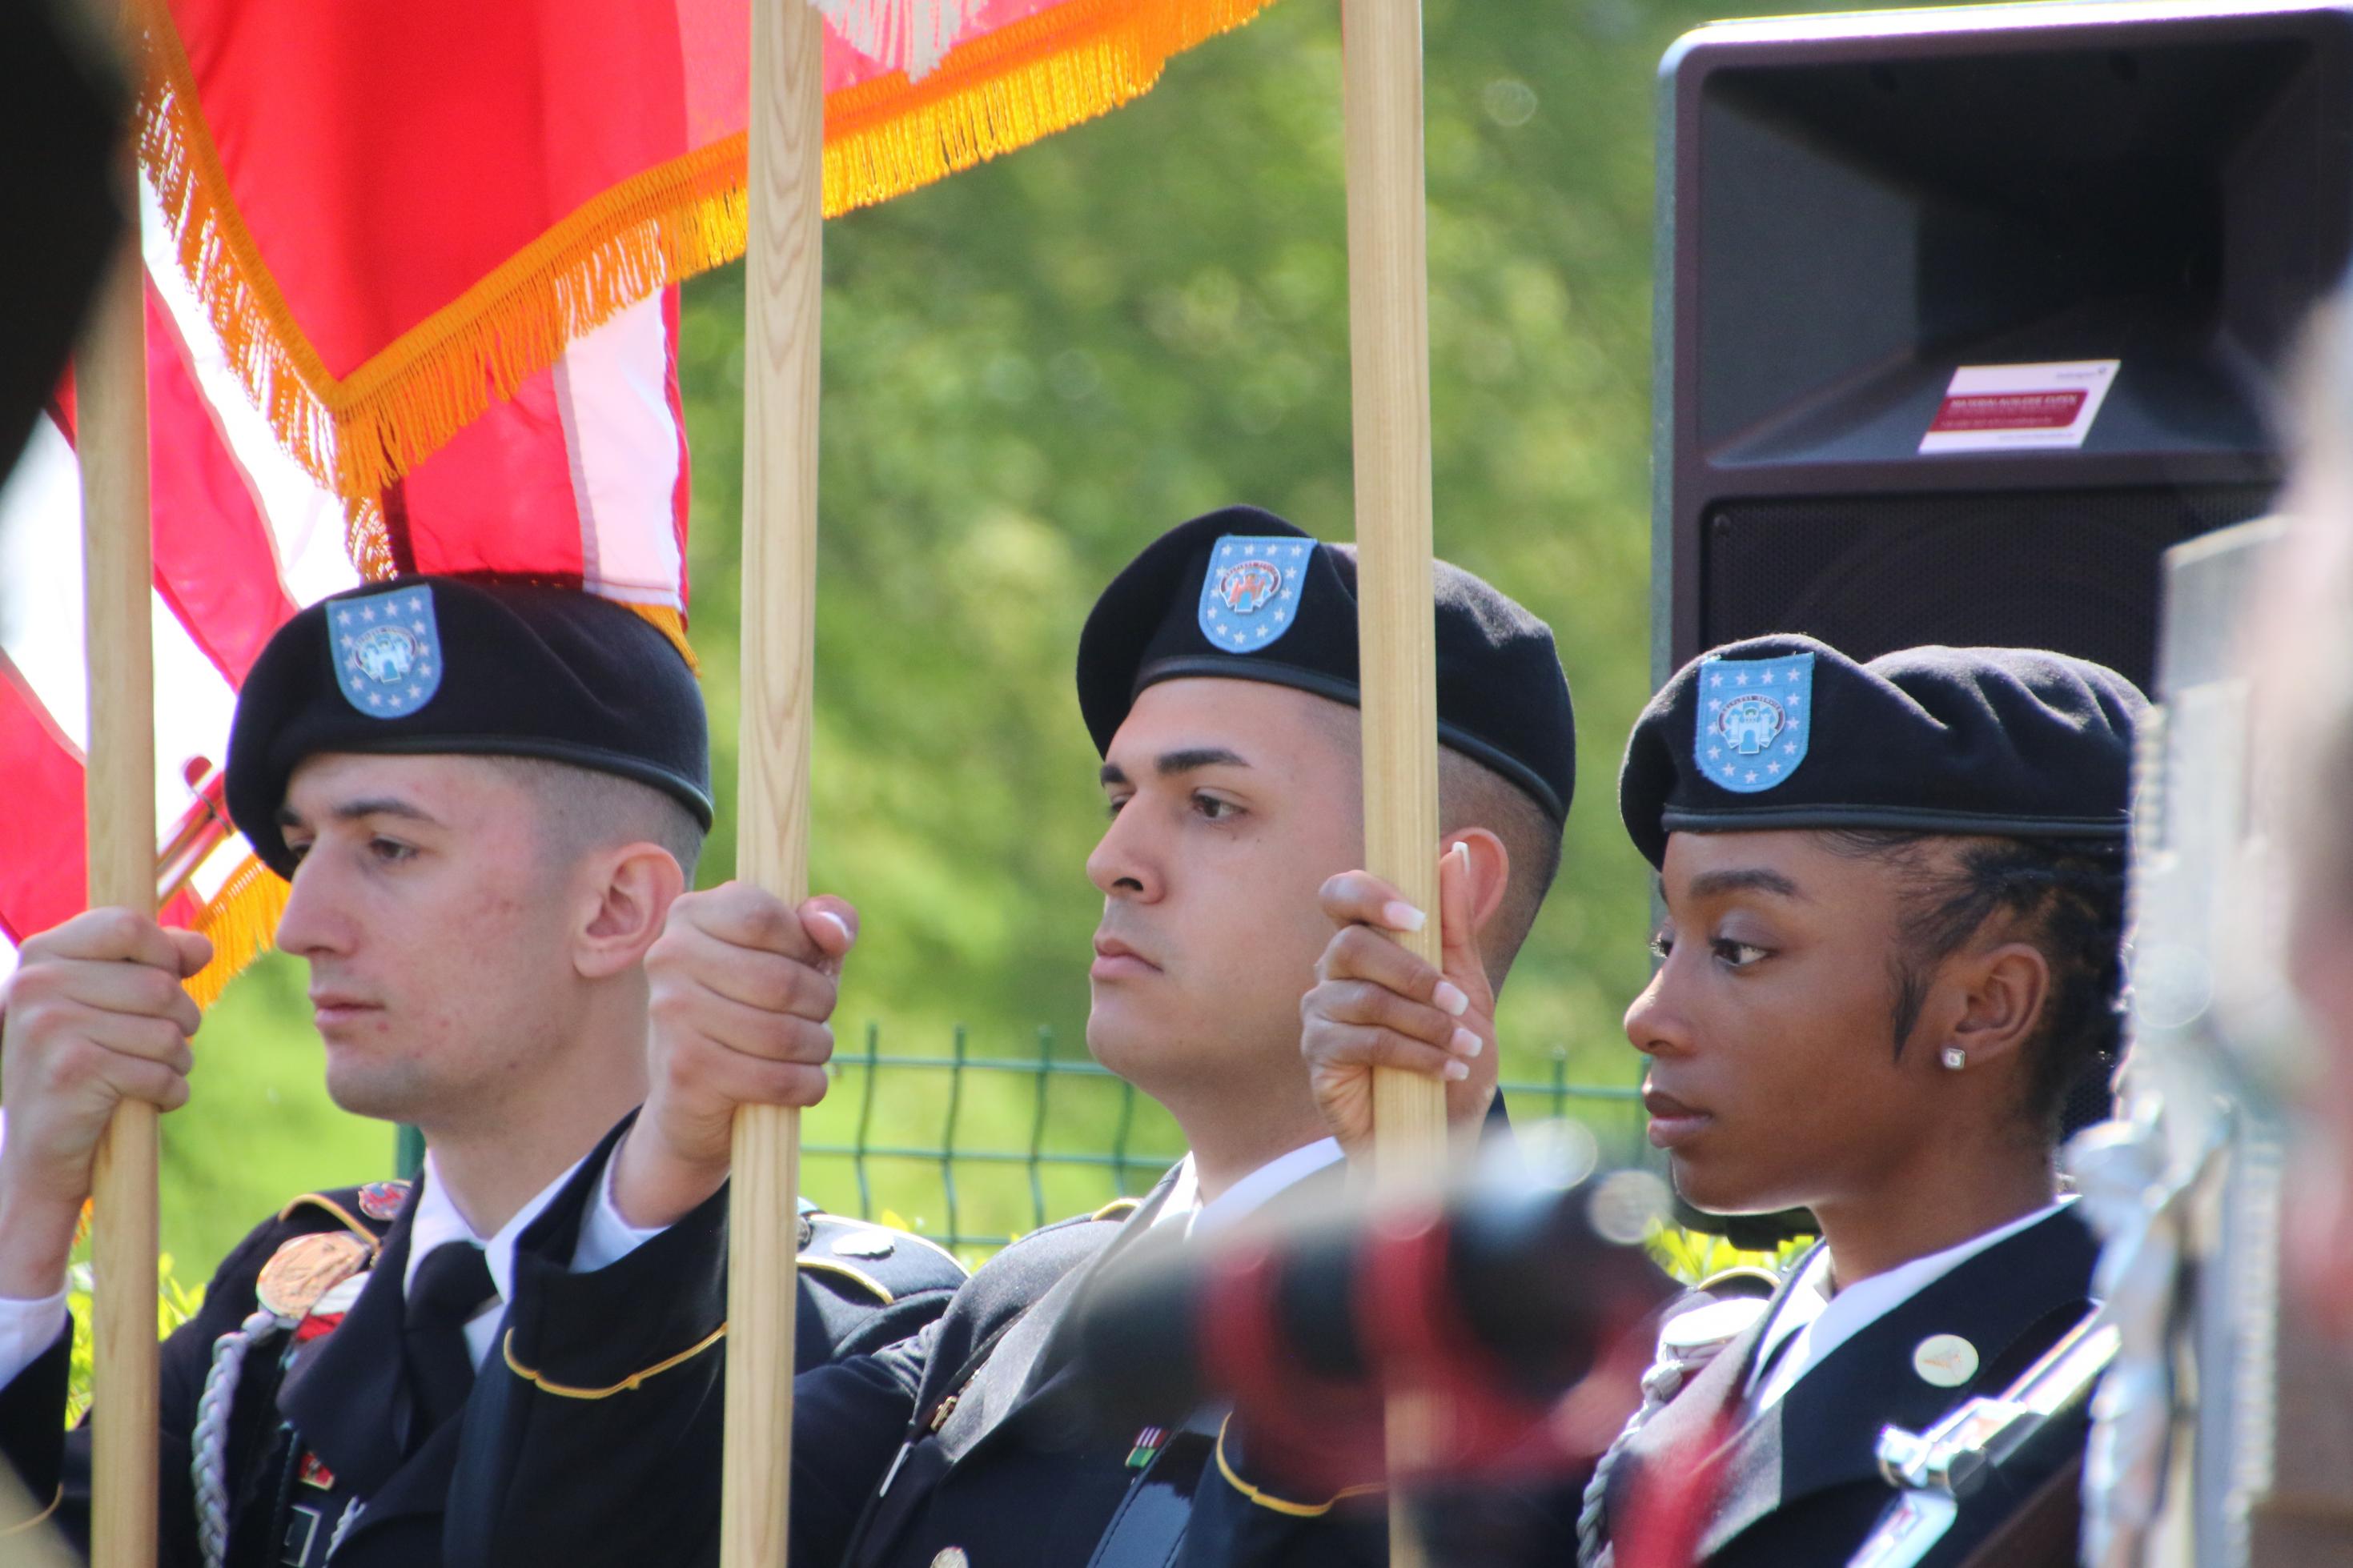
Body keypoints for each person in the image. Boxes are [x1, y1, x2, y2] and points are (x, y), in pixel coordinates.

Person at [444, 503, 1580, 1568]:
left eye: (1211, 805)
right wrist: (673, 1160)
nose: (1114, 858)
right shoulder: (1017, 1310)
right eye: (1117, 797)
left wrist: (1405, 1234)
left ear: (1439, 897)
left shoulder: (1556, 1345)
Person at [0, 579, 962, 1566]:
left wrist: (661, 1181)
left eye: (389, 847)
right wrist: (28, 1205)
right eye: (301, 849)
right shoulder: (275, 1312)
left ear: (616, 909)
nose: (298, 926)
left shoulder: (851, 1341)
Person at [1279, 632, 2139, 1567]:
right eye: (1666, 945)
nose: (1647, 1016)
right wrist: (1432, 1159)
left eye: (1737, 947)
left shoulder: (2114, 1415)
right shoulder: (1700, 1374)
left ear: (1982, 1006)